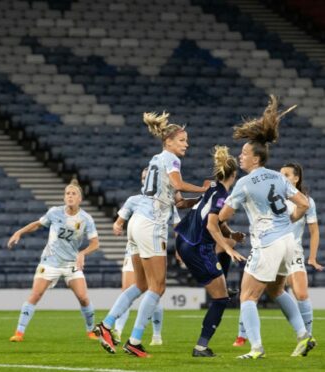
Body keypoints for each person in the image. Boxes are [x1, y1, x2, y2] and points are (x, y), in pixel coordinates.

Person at [95, 111, 209, 357]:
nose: (186, 144)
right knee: (157, 287)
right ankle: (134, 341)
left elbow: (178, 201)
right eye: (182, 140)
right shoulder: (171, 160)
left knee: (141, 284)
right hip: (152, 224)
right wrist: (203, 187)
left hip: (137, 222)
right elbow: (179, 185)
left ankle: (106, 325)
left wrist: (201, 198)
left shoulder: (157, 159)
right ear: (168, 141)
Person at [219, 95, 315, 359]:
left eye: (245, 153)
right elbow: (304, 204)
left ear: (256, 159)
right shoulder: (278, 177)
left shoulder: (245, 183)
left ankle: (256, 348)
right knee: (276, 290)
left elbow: (224, 215)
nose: (241, 156)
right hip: (287, 242)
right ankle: (304, 335)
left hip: (268, 243)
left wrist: (222, 215)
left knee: (247, 297)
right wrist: (289, 220)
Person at [233, 162, 321, 347]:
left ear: (296, 178)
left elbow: (314, 230)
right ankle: (242, 334)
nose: (282, 177)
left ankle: (305, 335)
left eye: (287, 175)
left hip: (287, 248)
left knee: (296, 293)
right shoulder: (276, 195)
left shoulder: (305, 200)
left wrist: (312, 256)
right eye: (281, 174)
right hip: (279, 246)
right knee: (269, 290)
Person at [175, 146, 247, 357]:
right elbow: (211, 225)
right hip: (199, 247)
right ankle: (201, 347)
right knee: (221, 300)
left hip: (184, 240)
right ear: (234, 175)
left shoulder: (212, 189)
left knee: (229, 247)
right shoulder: (222, 194)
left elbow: (214, 219)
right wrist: (225, 245)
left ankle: (222, 284)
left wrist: (231, 235)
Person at [7, 179, 99, 342]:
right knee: (36, 294)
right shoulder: (54, 212)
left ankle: (91, 331)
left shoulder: (86, 219)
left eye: (73, 193)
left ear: (80, 199)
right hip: (50, 262)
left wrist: (82, 253)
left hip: (71, 263)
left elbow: (95, 244)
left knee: (83, 298)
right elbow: (37, 224)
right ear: (64, 197)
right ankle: (19, 333)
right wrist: (19, 232)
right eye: (67, 193)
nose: (70, 196)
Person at [112, 168, 181, 346]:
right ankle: (117, 331)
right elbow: (118, 221)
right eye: (143, 177)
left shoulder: (166, 201)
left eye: (147, 177)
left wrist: (180, 248)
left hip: (154, 245)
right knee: (134, 288)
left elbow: (177, 225)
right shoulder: (134, 200)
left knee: (153, 290)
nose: (145, 180)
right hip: (135, 249)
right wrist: (118, 226)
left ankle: (156, 335)